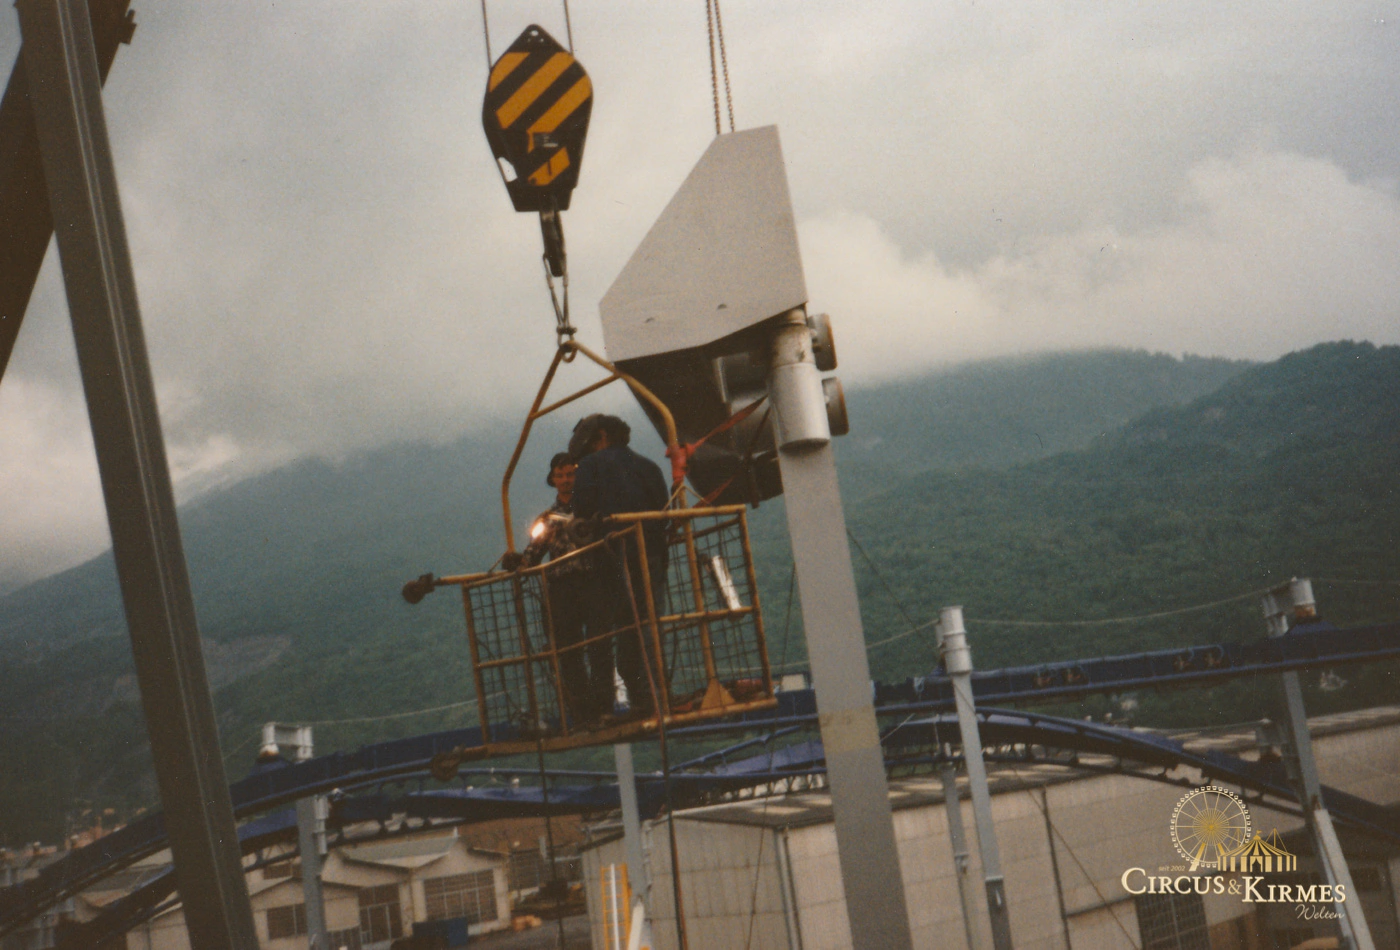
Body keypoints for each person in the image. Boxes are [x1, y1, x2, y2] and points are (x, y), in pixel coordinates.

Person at [568, 414, 671, 719]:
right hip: (652, 556)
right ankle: (657, 697)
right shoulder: (649, 467)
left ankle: (637, 698)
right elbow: (662, 509)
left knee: (621, 629)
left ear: (601, 437)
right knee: (650, 625)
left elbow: (582, 511)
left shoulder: (591, 466)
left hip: (613, 560)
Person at [505, 452, 612, 726]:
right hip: (562, 587)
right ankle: (584, 712)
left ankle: (604, 707)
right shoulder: (548, 519)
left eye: (570, 474)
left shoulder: (592, 511)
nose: (566, 480)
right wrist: (519, 562)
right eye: (560, 475)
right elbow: (533, 553)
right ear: (552, 480)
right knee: (568, 650)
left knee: (600, 643)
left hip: (592, 581)